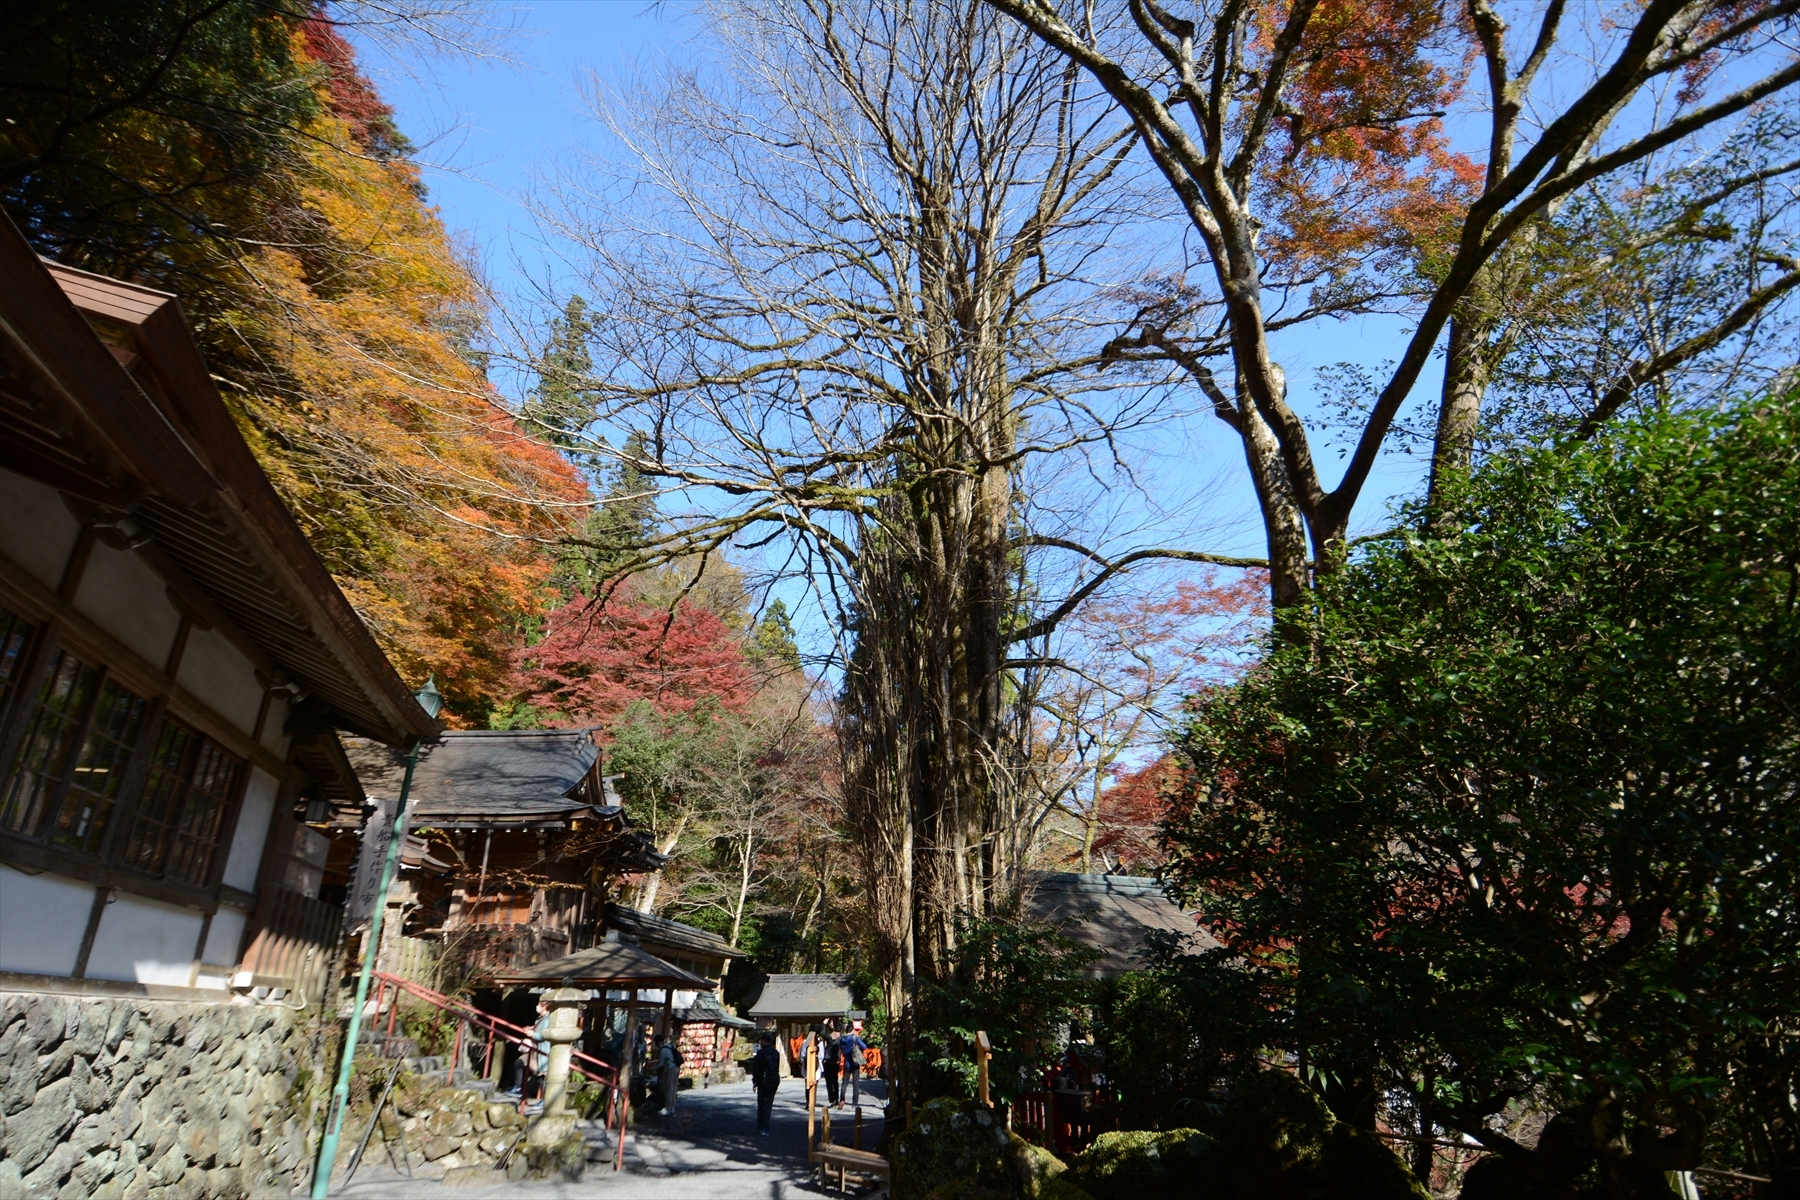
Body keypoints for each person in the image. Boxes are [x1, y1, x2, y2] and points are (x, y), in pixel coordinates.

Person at [750, 1031, 781, 1136]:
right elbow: (776, 1068)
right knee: (768, 1105)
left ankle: (760, 1126)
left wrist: (755, 1081)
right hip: (773, 1081)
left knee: (761, 1104)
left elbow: (757, 1069)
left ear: (764, 1040)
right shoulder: (776, 1053)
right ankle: (765, 1127)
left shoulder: (760, 1053)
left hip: (762, 1081)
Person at [838, 1027, 868, 1109]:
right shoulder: (855, 1038)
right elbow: (864, 1046)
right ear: (852, 1030)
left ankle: (842, 1099)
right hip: (855, 1063)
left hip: (847, 1063)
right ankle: (855, 1102)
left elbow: (841, 1049)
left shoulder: (842, 1039)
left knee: (844, 1083)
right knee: (856, 1084)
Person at [653, 1032, 681, 1114]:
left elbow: (661, 1064)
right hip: (677, 1067)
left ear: (658, 1042)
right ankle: (672, 1106)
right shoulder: (670, 1046)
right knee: (674, 1088)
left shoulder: (663, 1050)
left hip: (671, 1068)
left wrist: (653, 1068)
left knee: (669, 1088)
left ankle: (667, 1108)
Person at [822, 1030, 842, 1107]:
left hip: (828, 1062)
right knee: (835, 1082)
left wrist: (824, 1023)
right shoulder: (840, 1039)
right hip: (835, 1062)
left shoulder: (828, 1038)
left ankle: (832, 1100)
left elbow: (822, 1032)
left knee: (829, 1083)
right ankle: (836, 1099)